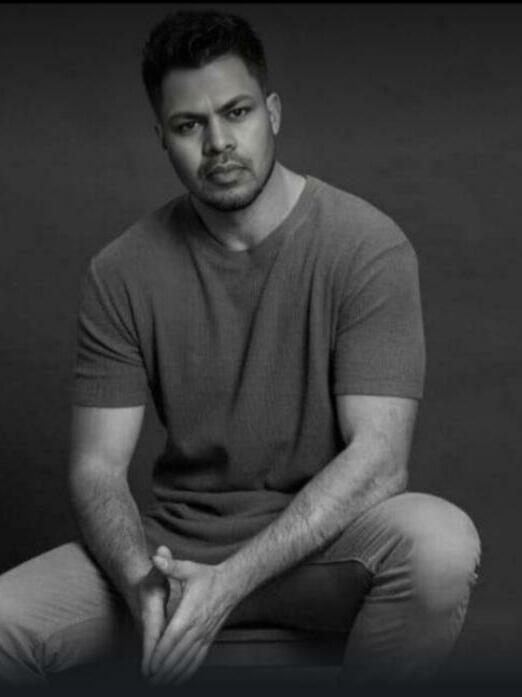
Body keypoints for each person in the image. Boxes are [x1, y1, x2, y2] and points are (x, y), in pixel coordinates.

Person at [0, 9, 481, 687]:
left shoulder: (367, 246)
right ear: (162, 139)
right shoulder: (121, 271)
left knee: (440, 544)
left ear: (272, 113)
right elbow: (96, 470)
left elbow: (379, 462)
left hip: (318, 551)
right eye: (188, 125)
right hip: (168, 554)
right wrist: (143, 584)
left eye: (237, 112)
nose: (219, 142)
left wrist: (225, 585)